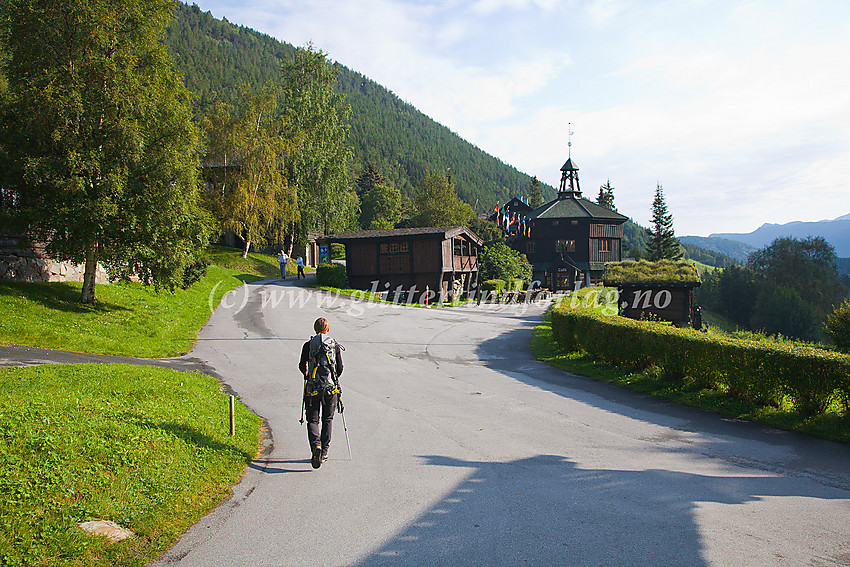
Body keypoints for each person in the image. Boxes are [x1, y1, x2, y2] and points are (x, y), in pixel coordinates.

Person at [298, 317, 344, 468]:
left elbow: (301, 365)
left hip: (313, 387)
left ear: (314, 329)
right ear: (328, 329)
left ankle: (315, 446)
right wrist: (333, 378)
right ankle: (324, 452)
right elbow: (340, 368)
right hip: (331, 389)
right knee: (327, 420)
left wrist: (308, 375)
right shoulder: (334, 345)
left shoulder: (308, 345)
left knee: (312, 420)